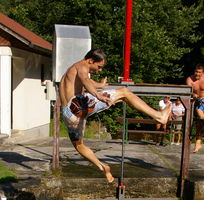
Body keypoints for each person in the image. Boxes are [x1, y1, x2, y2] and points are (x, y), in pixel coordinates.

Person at [59, 48, 172, 182]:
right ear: (90, 60)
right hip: (78, 105)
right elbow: (85, 80)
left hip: (68, 114)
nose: (100, 70)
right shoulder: (82, 65)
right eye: (99, 66)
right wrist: (97, 94)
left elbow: (86, 81)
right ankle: (159, 116)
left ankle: (102, 166)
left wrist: (100, 85)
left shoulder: (71, 70)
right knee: (124, 92)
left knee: (79, 145)